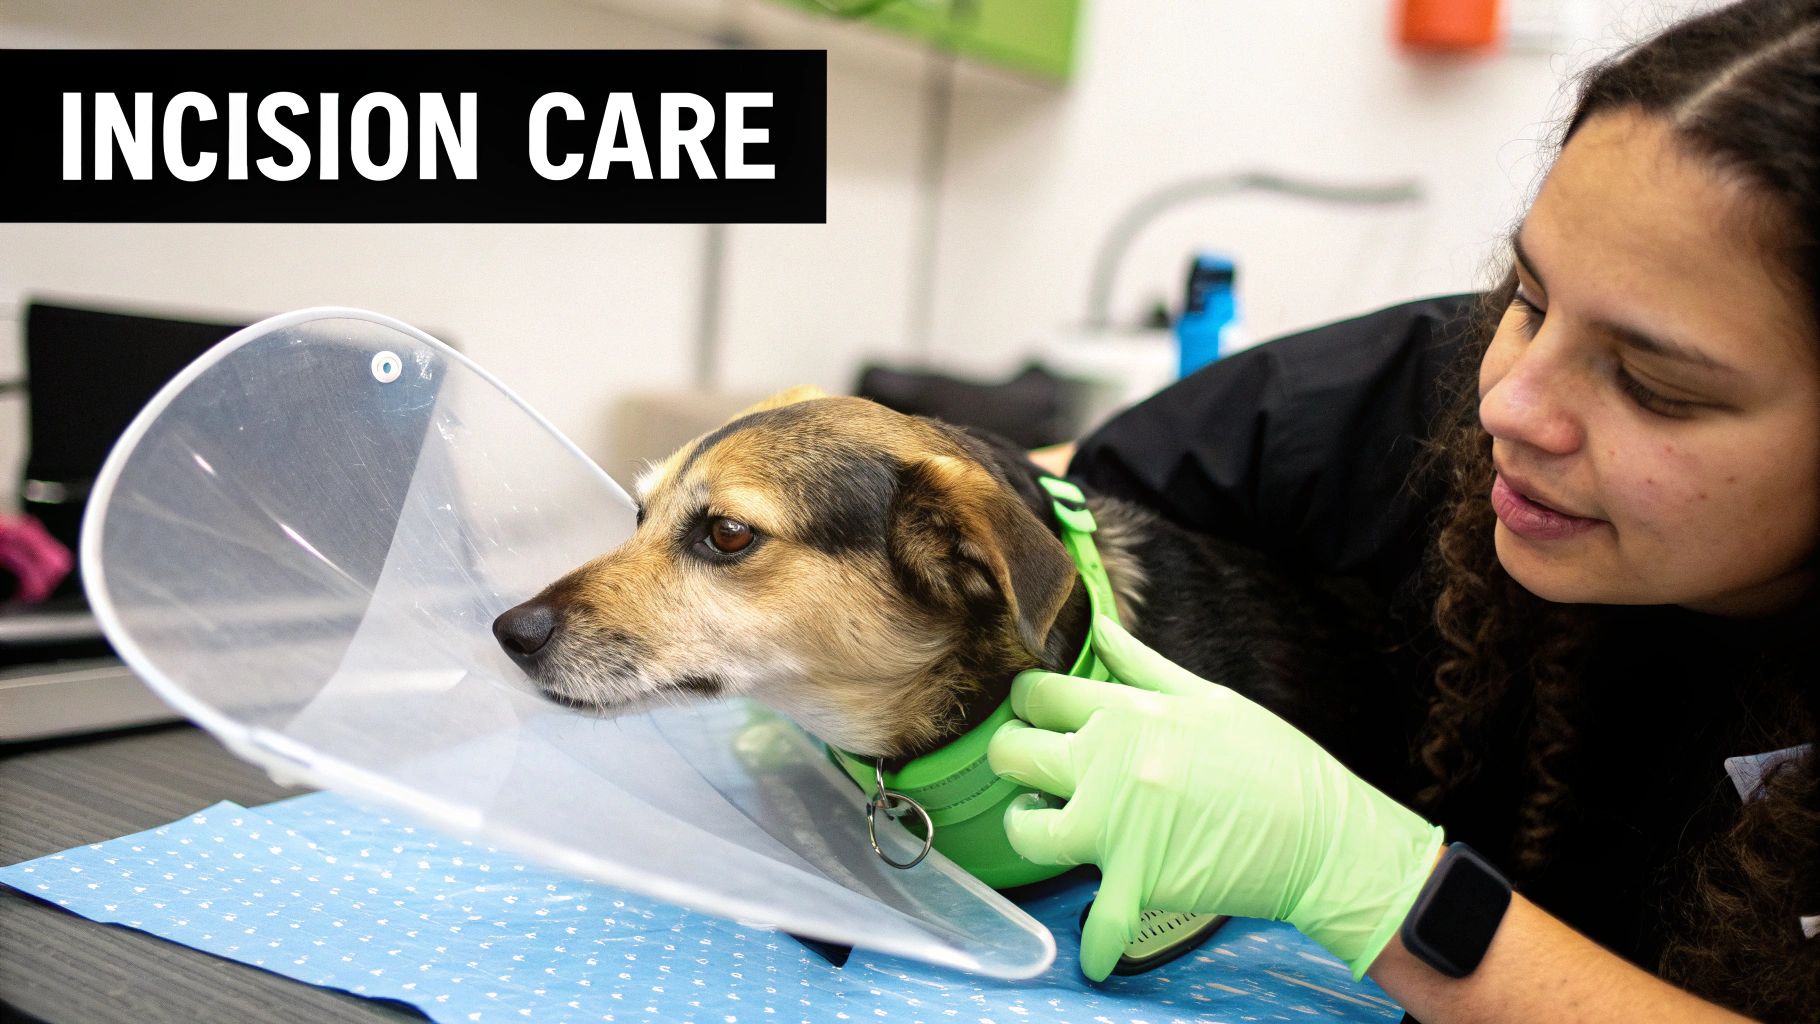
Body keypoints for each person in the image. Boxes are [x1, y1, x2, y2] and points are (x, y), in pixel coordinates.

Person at [989, 1, 1820, 1019]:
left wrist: (1370, 882)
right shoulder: (1415, 392)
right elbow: (1042, 493)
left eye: (1652, 385)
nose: (1506, 404)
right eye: (1527, 297)